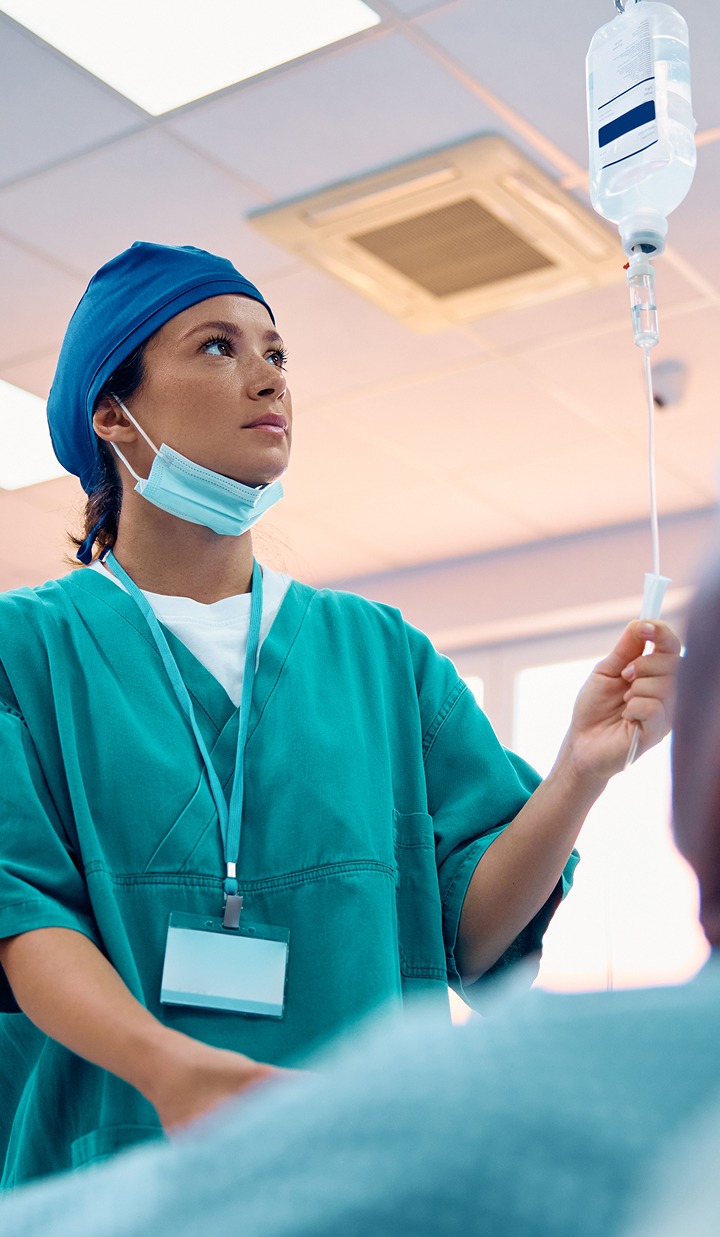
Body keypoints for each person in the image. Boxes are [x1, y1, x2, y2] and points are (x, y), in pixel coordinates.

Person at [0, 241, 678, 1187]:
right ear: (111, 412)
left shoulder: (380, 654)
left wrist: (580, 770)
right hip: (121, 1179)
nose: (268, 377)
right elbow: (19, 910)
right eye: (216, 347)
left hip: (363, 1174)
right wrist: (171, 1070)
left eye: (277, 353)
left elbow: (472, 937)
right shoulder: (26, 652)